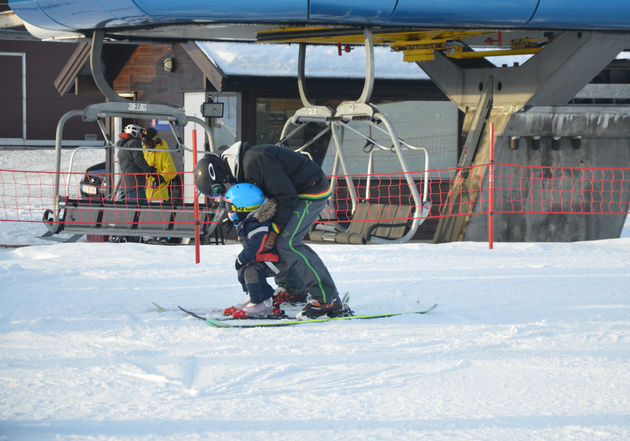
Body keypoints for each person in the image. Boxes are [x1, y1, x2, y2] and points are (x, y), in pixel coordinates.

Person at [194, 141, 352, 319]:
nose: (220, 196)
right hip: (289, 194)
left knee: (288, 242)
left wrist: (274, 230)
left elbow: (287, 196)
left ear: (223, 176)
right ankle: (294, 290)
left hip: (310, 190)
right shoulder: (239, 172)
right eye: (214, 195)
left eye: (217, 190)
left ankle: (328, 298)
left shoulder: (255, 162)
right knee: (273, 241)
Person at [222, 182, 286, 319]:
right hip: (264, 257)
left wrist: (241, 259)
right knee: (243, 269)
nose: (229, 211)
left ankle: (262, 303)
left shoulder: (258, 223)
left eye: (230, 207)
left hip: (276, 260)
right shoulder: (249, 220)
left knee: (251, 271)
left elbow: (255, 245)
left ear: (243, 207)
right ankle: (254, 297)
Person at [117, 124, 155, 204]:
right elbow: (139, 159)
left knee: (133, 210)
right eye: (140, 133)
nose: (142, 136)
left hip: (128, 184)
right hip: (135, 184)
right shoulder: (134, 143)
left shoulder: (123, 145)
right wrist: (149, 170)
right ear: (135, 133)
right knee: (140, 211)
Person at [141, 127, 177, 202]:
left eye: (149, 143)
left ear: (155, 141)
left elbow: (172, 170)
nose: (147, 146)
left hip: (158, 195)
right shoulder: (144, 150)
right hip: (143, 195)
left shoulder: (162, 151)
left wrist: (160, 178)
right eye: (145, 143)